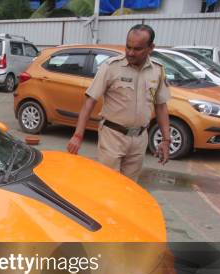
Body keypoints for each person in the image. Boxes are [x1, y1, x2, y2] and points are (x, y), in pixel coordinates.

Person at [67, 24, 171, 182]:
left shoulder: (157, 71)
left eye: (137, 49)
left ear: (151, 48)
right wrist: (78, 135)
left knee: (129, 188)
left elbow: (161, 106)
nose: (130, 52)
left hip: (140, 138)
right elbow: (90, 101)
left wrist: (166, 139)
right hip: (112, 137)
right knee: (108, 185)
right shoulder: (111, 67)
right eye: (128, 47)